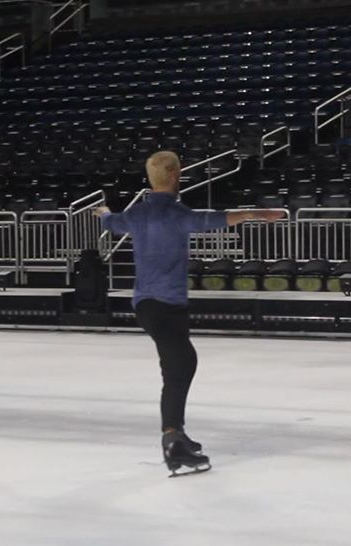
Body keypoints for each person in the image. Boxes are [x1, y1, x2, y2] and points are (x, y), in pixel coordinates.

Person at [93, 150, 283, 475]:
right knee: (178, 366)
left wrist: (105, 212)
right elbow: (216, 218)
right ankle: (172, 440)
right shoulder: (179, 214)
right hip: (164, 307)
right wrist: (256, 213)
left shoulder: (137, 213)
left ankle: (177, 432)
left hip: (151, 305)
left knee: (182, 363)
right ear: (177, 177)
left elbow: (113, 223)